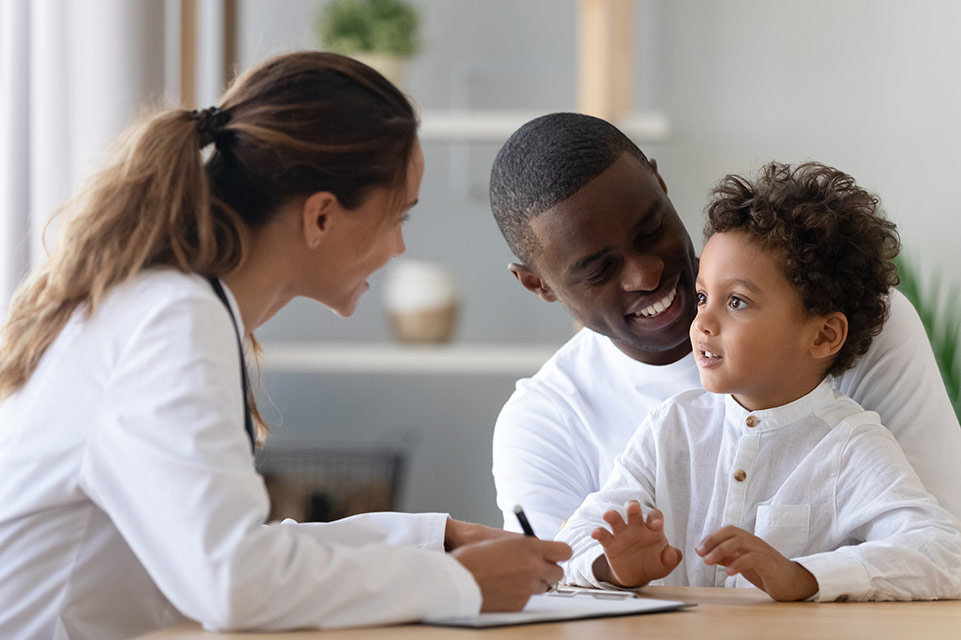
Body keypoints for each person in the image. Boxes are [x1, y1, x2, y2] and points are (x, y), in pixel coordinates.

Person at [0, 52, 570, 640]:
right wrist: (462, 585)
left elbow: (235, 550)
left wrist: (435, 539)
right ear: (321, 215)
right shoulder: (171, 321)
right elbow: (234, 584)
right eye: (399, 216)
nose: (399, 247)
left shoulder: (167, 306)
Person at [488, 113, 961, 539]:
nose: (646, 274)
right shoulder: (545, 423)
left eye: (651, 230)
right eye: (599, 271)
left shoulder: (854, 320)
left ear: (661, 184)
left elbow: (936, 551)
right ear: (538, 285)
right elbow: (557, 590)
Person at [556, 162, 961, 601]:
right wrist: (613, 566)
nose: (703, 321)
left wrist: (804, 576)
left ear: (823, 335)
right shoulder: (671, 428)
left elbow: (944, 555)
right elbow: (570, 542)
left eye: (736, 301)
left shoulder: (850, 445)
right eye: (704, 296)